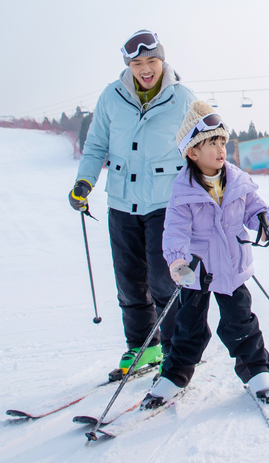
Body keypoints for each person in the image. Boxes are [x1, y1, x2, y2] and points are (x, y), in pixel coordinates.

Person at [69, 30, 197, 379]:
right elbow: (96, 145)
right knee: (128, 281)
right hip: (122, 203)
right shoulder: (112, 97)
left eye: (151, 61)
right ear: (129, 65)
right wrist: (85, 181)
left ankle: (174, 350)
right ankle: (143, 347)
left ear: (162, 62)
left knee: (164, 280)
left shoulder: (183, 98)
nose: (145, 69)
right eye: (137, 63)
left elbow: (204, 147)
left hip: (166, 204)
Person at [144, 101, 269, 409]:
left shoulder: (237, 181)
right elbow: (175, 231)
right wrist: (177, 261)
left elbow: (253, 207)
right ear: (192, 152)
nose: (221, 149)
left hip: (233, 268)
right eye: (211, 143)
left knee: (241, 323)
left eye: (222, 141)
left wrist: (266, 221)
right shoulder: (183, 191)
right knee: (188, 328)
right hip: (198, 271)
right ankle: (175, 375)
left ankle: (257, 372)